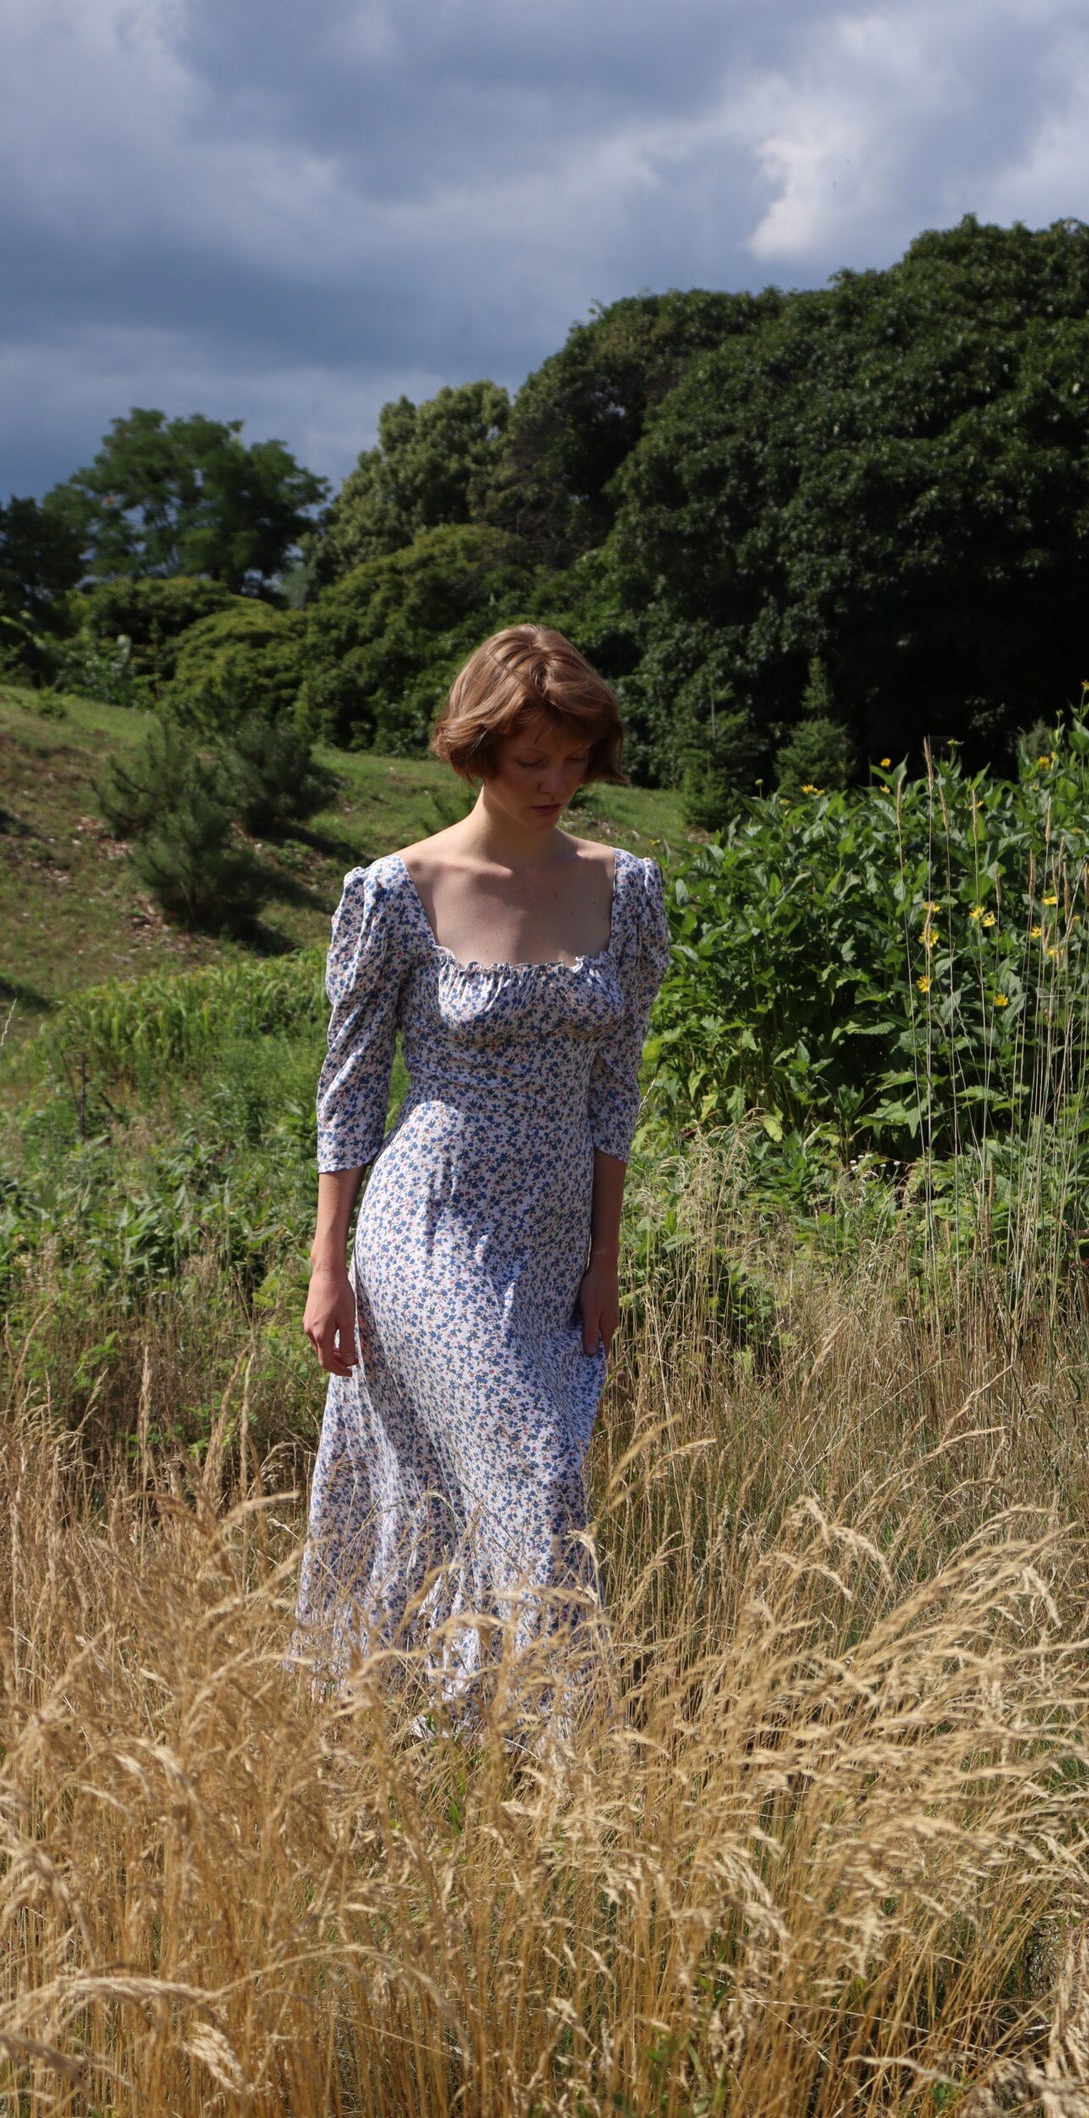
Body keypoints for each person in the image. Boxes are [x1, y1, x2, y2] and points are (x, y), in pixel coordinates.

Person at [295, 625, 670, 1732]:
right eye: (529, 760)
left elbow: (615, 1088)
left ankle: (431, 1726)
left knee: (469, 1481)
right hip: (427, 1227)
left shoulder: (626, 890)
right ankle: (575, 1753)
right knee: (538, 1473)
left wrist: (605, 1256)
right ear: (474, 751)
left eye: (573, 757)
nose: (557, 782)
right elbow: (350, 1089)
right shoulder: (396, 890)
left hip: (553, 1240)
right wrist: (328, 1264)